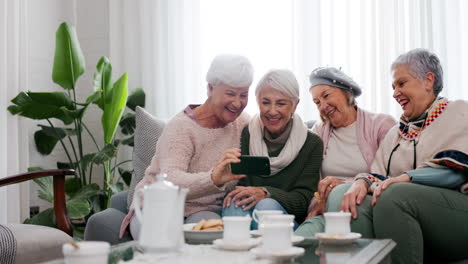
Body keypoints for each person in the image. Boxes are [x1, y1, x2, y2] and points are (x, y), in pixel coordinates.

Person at [335, 49, 468, 263]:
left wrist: (407, 177)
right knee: (347, 195)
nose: (395, 93)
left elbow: (457, 173)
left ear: (428, 80)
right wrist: (361, 182)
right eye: (393, 87)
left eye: (401, 83)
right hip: (408, 203)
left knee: (394, 195)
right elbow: (378, 176)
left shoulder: (459, 112)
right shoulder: (396, 133)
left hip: (458, 211)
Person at [119, 54, 254, 240]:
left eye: (243, 95)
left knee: (209, 239)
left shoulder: (243, 123)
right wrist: (213, 178)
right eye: (230, 94)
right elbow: (170, 180)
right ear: (210, 88)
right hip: (159, 205)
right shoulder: (181, 127)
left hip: (205, 209)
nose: (237, 103)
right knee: (159, 241)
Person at [295, 67, 395, 237]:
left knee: (340, 195)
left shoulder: (381, 124)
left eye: (326, 96)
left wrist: (346, 186)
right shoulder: (318, 131)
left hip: (367, 208)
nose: (323, 106)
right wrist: (320, 200)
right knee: (301, 240)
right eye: (317, 102)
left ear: (347, 91)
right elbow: (312, 184)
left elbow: (394, 177)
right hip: (328, 210)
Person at [221, 69, 323, 229]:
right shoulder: (247, 133)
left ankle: (269, 253)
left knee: (266, 206)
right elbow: (241, 183)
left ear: (295, 105)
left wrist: (266, 192)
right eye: (266, 102)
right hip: (250, 211)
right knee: (234, 202)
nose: (272, 111)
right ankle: (238, 251)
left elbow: (303, 200)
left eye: (281, 103)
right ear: (257, 102)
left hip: (287, 219)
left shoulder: (312, 143)